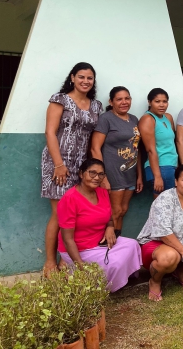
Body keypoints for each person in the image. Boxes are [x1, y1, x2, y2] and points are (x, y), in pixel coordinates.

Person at [40, 62, 102, 275]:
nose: (85, 81)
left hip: (81, 166)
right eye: (81, 77)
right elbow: (50, 132)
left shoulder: (96, 106)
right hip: (59, 163)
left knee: (77, 215)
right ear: (73, 77)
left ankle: (65, 260)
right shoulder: (60, 100)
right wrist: (58, 165)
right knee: (59, 214)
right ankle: (50, 262)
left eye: (90, 78)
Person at [57, 158, 142, 292]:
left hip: (99, 242)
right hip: (79, 249)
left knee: (133, 244)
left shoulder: (102, 192)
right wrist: (81, 266)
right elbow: (67, 239)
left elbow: (108, 217)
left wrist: (109, 227)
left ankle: (118, 279)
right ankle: (101, 288)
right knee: (114, 262)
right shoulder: (69, 199)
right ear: (81, 174)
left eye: (101, 174)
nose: (97, 177)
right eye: (92, 173)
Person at [137, 164, 183, 301]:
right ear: (176, 181)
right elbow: (164, 232)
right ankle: (155, 280)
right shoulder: (165, 199)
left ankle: (181, 273)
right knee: (170, 257)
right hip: (158, 242)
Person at [91, 86, 143, 236]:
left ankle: (117, 242)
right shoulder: (106, 118)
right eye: (119, 99)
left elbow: (136, 149)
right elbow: (95, 148)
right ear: (111, 102)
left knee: (123, 210)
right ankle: (106, 246)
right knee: (115, 210)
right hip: (113, 171)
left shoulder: (134, 119)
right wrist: (102, 176)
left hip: (130, 172)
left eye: (127, 98)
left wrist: (139, 176)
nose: (124, 102)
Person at [138, 88, 178, 199]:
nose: (162, 105)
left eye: (164, 101)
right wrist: (157, 176)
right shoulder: (147, 119)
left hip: (171, 165)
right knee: (163, 208)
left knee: (172, 205)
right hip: (160, 168)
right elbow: (150, 150)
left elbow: (172, 144)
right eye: (157, 101)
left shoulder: (168, 117)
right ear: (149, 102)